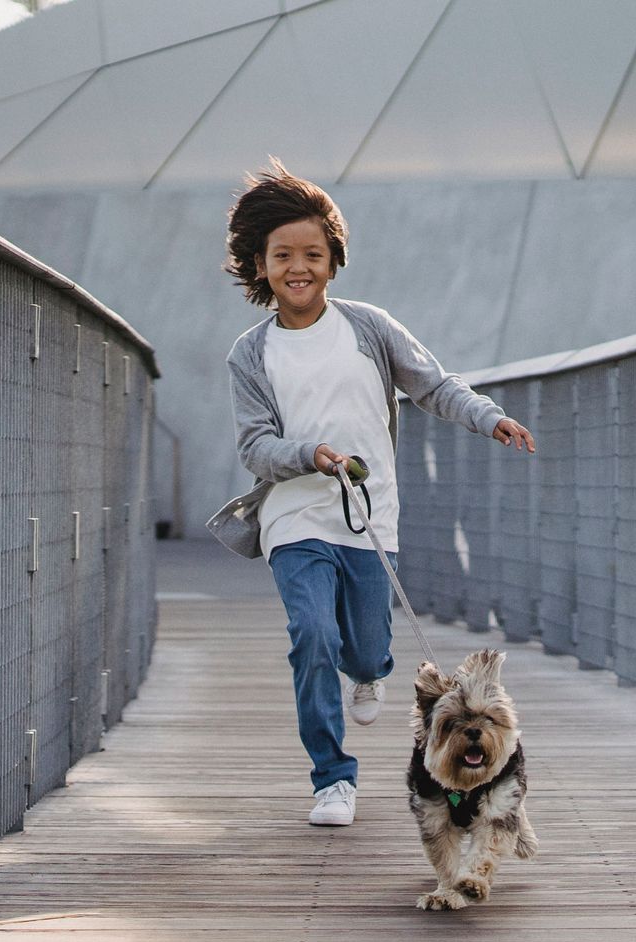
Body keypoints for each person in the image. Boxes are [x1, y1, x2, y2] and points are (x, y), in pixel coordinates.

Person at [207, 159, 535, 827]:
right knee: (311, 637)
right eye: (283, 256)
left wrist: (488, 416)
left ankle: (371, 670)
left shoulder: (368, 329)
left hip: (368, 521)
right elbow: (255, 448)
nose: (299, 268)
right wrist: (309, 455)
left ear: (334, 260)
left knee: (364, 647)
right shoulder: (251, 353)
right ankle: (332, 778)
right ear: (260, 264)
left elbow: (435, 387)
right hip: (295, 516)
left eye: (314, 255)